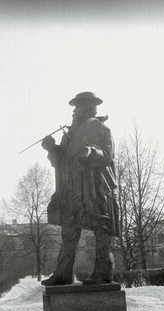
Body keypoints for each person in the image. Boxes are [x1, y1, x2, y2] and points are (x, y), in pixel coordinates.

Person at [41, 92, 119, 286]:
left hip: (93, 191)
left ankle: (103, 272)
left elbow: (107, 155)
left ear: (87, 108)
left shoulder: (101, 130)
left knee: (101, 230)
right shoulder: (69, 135)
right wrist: (52, 149)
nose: (74, 112)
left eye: (77, 107)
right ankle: (63, 274)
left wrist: (90, 152)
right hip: (70, 191)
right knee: (68, 233)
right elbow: (61, 161)